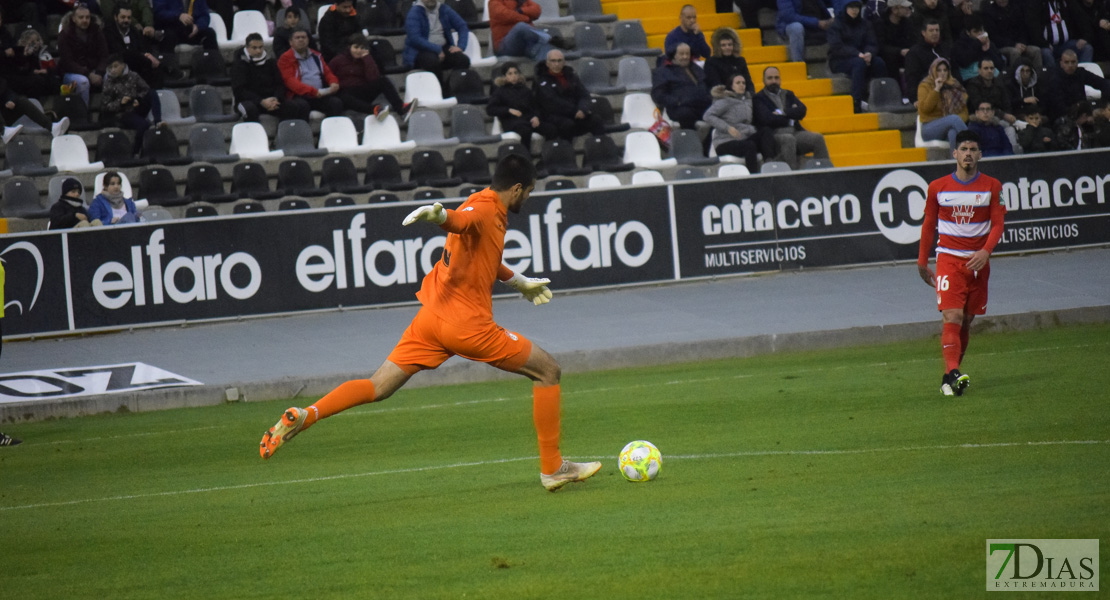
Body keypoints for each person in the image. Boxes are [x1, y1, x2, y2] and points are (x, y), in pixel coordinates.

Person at [259, 154, 603, 493]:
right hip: (467, 327)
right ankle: (553, 467)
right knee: (548, 371)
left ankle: (308, 415)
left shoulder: (484, 204)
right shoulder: (483, 210)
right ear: (516, 189)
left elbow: (483, 253)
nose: (528, 198)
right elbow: (460, 221)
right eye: (528, 192)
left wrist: (518, 281)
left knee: (378, 386)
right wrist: (440, 216)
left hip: (431, 319)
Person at [916, 129, 1005, 397]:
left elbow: (998, 224)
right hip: (949, 260)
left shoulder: (992, 186)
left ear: (979, 154)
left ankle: (949, 377)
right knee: (952, 316)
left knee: (966, 320)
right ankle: (955, 371)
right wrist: (922, 261)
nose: (968, 154)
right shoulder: (937, 187)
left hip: (978, 264)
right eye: (963, 149)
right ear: (955, 153)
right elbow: (929, 225)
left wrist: (986, 252)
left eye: (973, 149)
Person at [753, 65, 830, 168]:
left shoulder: (788, 94)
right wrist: (790, 119)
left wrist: (783, 112)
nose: (774, 81)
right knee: (789, 139)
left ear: (780, 79)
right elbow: (767, 119)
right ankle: (792, 175)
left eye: (776, 78)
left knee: (818, 138)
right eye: (770, 78)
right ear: (764, 80)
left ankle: (825, 172)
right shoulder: (759, 98)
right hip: (775, 135)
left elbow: (802, 110)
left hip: (795, 132)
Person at [329, 34, 416, 121]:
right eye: (356, 47)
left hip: (362, 90)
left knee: (383, 81)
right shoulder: (337, 60)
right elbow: (329, 76)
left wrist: (367, 59)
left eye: (362, 48)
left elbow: (373, 78)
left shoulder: (367, 58)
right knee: (344, 96)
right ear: (349, 47)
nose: (359, 51)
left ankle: (401, 109)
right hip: (346, 94)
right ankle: (375, 109)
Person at [231, 33, 311, 123]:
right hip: (249, 101)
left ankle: (282, 134)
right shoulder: (239, 65)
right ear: (247, 48)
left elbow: (279, 84)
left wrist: (275, 99)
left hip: (271, 100)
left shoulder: (271, 62)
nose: (258, 51)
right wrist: (261, 101)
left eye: (261, 47)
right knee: (249, 109)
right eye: (254, 48)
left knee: (291, 106)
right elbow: (240, 90)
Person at [827, 0, 888, 112]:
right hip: (839, 60)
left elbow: (872, 42)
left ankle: (882, 97)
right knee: (858, 64)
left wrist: (869, 53)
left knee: (879, 62)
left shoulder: (865, 24)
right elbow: (837, 47)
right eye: (851, 7)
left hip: (863, 57)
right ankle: (856, 101)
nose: (854, 10)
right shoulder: (836, 24)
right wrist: (857, 54)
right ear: (845, 8)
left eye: (857, 7)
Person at [533, 49, 605, 140]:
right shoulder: (541, 81)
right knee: (567, 125)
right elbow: (552, 101)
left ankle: (601, 148)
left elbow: (584, 95)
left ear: (564, 62)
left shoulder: (571, 76)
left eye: (559, 61)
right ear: (547, 63)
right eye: (553, 61)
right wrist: (575, 111)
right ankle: (567, 151)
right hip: (554, 116)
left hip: (575, 114)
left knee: (596, 120)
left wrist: (582, 109)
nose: (556, 64)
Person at [101, 55, 161, 154]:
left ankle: (158, 121)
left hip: (136, 108)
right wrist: (120, 103)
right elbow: (105, 106)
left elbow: (145, 90)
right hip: (123, 114)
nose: (113, 70)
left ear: (123, 65)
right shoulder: (108, 83)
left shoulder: (133, 76)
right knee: (144, 125)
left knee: (152, 93)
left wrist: (138, 99)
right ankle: (135, 151)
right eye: (110, 68)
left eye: (115, 66)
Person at [703, 73, 762, 173]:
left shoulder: (748, 100)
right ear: (731, 86)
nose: (741, 85)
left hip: (743, 137)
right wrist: (727, 128)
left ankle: (772, 167)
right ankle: (753, 177)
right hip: (725, 141)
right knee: (750, 146)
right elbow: (707, 116)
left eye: (743, 83)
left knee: (766, 133)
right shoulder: (725, 100)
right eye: (738, 83)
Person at [278, 29, 345, 117]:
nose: (301, 40)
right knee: (302, 106)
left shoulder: (316, 55)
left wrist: (333, 82)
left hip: (320, 94)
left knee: (336, 103)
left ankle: (332, 129)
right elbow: (290, 81)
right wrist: (313, 92)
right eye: (297, 38)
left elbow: (327, 72)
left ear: (308, 40)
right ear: (291, 42)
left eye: (303, 37)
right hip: (299, 95)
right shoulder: (285, 58)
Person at [651, 43, 713, 130]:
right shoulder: (663, 72)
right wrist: (677, 101)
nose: (685, 57)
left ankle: (711, 142)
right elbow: (658, 94)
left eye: (687, 54)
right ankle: (688, 140)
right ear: (674, 55)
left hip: (701, 104)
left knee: (720, 111)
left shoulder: (696, 68)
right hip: (679, 107)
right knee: (686, 114)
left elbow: (706, 85)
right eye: (681, 54)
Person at [404, 0, 471, 81]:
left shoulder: (444, 9)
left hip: (443, 48)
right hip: (420, 51)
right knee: (432, 62)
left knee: (463, 60)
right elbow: (415, 38)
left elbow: (462, 26)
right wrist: (436, 49)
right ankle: (440, 90)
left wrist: (461, 46)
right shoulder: (414, 13)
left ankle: (450, 86)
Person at [58, 4, 110, 107]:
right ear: (73, 18)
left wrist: (99, 72)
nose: (85, 20)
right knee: (83, 82)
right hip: (72, 72)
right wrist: (88, 74)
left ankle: (107, 111)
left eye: (87, 17)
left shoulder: (97, 31)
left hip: (95, 70)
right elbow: (68, 62)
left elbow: (104, 55)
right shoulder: (65, 35)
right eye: (81, 17)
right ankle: (83, 114)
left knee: (111, 77)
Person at [486, 61, 547, 148]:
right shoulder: (500, 92)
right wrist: (508, 110)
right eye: (510, 74)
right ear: (504, 76)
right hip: (511, 121)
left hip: (528, 119)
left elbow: (535, 106)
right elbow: (490, 109)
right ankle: (526, 155)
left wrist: (536, 116)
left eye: (515, 73)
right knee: (525, 130)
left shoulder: (525, 90)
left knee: (549, 128)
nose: (513, 76)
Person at [963, 58, 1019, 152]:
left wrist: (1008, 115)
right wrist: (1004, 115)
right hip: (979, 120)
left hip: (998, 119)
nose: (989, 71)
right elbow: (979, 104)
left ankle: (1012, 158)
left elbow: (1007, 104)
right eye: (986, 68)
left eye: (991, 68)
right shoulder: (973, 84)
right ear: (979, 70)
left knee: (1010, 130)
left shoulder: (999, 83)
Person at [105, 3, 166, 88]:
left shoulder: (133, 30)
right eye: (123, 17)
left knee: (157, 64)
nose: (126, 20)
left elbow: (142, 47)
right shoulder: (108, 31)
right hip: (117, 62)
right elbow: (118, 51)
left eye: (129, 18)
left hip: (136, 62)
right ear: (116, 17)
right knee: (145, 61)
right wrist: (144, 55)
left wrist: (147, 55)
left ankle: (155, 94)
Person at [1046, 49, 1110, 120]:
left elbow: (1103, 83)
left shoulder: (1080, 73)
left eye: (1073, 62)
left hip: (1084, 112)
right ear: (1061, 64)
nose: (1070, 65)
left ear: (1077, 62)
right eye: (1066, 62)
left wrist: (1103, 106)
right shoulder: (1055, 79)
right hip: (1063, 117)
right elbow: (1059, 107)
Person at [917, 58, 968, 147]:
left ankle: (956, 160)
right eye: (939, 70)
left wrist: (958, 123)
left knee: (953, 133)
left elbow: (964, 111)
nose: (943, 73)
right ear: (933, 71)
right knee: (953, 119)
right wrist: (936, 89)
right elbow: (925, 109)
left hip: (949, 125)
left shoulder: (954, 85)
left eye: (945, 70)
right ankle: (973, 144)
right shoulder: (925, 85)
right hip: (929, 127)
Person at [1026, 0, 1095, 65]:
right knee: (1046, 53)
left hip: (1065, 44)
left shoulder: (1066, 2)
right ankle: (1054, 76)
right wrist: (1044, 44)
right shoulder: (1036, 4)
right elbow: (1033, 28)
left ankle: (1082, 75)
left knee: (1087, 48)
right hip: (1047, 46)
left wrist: (1086, 37)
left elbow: (1081, 18)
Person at [0, 75, 70, 138]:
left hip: (5, 114)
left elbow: (8, 92)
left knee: (22, 101)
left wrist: (11, 100)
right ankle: (3, 132)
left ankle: (52, 127)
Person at [980, 0, 1043, 71]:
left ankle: (1039, 77)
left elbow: (1023, 29)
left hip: (1019, 43)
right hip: (1002, 46)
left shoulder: (1016, 8)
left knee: (1036, 51)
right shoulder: (989, 12)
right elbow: (993, 37)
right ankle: (1015, 78)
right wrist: (1014, 44)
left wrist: (1022, 42)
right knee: (1015, 52)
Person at [904, 18, 950, 104]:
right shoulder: (915, 53)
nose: (935, 33)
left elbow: (955, 70)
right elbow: (912, 78)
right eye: (931, 30)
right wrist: (914, 99)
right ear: (923, 33)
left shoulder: (945, 48)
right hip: (928, 93)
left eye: (937, 30)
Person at [950, 15, 1003, 81]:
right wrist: (977, 44)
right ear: (968, 32)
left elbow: (1000, 65)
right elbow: (963, 61)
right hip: (970, 79)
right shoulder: (960, 44)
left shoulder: (989, 43)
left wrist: (988, 51)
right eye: (976, 31)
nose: (980, 33)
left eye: (981, 30)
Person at [152, 0, 218, 52]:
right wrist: (178, 16)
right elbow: (159, 13)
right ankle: (168, 68)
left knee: (210, 33)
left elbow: (204, 15)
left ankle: (213, 65)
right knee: (168, 36)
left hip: (190, 29)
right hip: (171, 27)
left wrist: (198, 26)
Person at [876, 0, 914, 86]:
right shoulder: (881, 23)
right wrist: (899, 51)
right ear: (894, 9)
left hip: (905, 53)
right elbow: (881, 46)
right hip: (888, 56)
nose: (908, 9)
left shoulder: (907, 23)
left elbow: (913, 41)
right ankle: (895, 89)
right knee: (891, 59)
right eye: (904, 7)